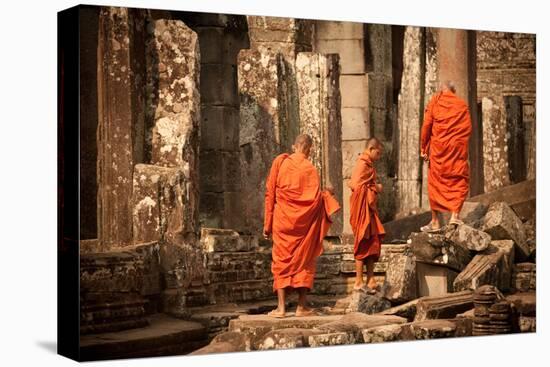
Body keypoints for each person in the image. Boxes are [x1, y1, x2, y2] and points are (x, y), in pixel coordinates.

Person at [263, 134, 340, 318]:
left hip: (282, 222)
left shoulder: (280, 163)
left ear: (294, 146)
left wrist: (267, 224)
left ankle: (281, 309)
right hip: (304, 227)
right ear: (310, 149)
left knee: (281, 261)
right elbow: (313, 201)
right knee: (305, 261)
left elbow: (270, 194)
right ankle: (301, 307)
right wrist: (327, 194)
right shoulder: (311, 169)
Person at [420, 80, 472, 232]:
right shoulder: (461, 105)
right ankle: (454, 215)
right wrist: (458, 143)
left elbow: (426, 127)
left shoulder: (436, 102)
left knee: (435, 183)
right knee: (459, 180)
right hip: (457, 150)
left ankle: (435, 221)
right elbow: (467, 129)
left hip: (439, 151)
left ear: (441, 90)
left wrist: (424, 147)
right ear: (453, 91)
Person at [348, 137, 385, 293]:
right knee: (362, 242)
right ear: (371, 149)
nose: (379, 156)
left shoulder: (368, 164)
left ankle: (370, 279)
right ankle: (358, 281)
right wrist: (375, 188)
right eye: (378, 153)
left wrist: (373, 187)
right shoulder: (362, 164)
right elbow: (356, 186)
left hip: (369, 211)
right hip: (362, 210)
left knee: (373, 242)